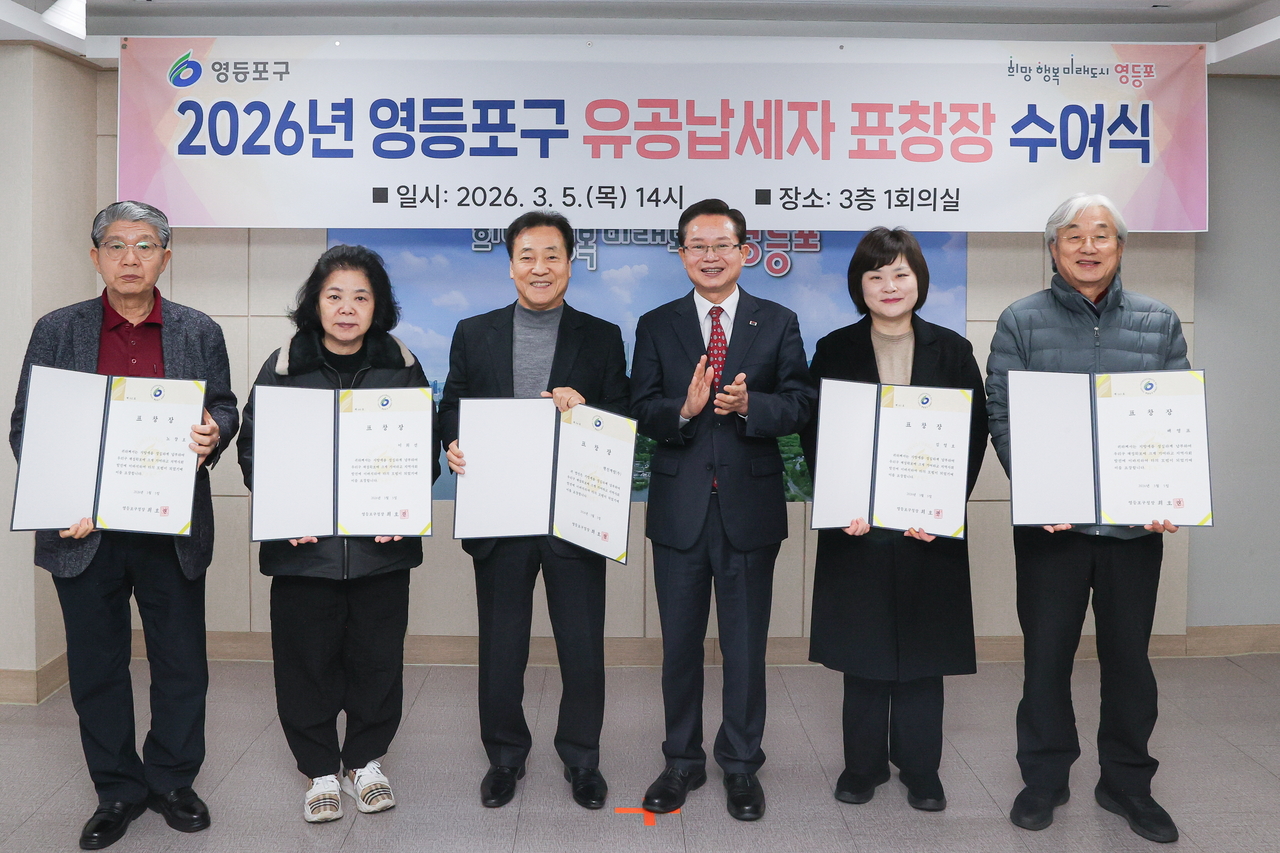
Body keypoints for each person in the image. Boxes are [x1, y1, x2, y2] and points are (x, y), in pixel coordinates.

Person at [9, 201, 237, 850]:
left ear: (166, 257)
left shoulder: (198, 330)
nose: (129, 258)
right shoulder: (58, 330)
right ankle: (116, 789)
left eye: (144, 245)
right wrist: (64, 496)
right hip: (84, 531)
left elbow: (223, 407)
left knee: (181, 663)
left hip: (170, 527)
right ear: (95, 257)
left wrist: (214, 432)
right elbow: (27, 424)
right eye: (115, 245)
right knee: (96, 666)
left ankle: (172, 780)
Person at [986, 193, 1187, 844]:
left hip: (1133, 530)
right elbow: (1002, 412)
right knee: (1046, 657)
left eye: (1101, 234)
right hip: (1053, 530)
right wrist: (1038, 489)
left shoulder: (1159, 321)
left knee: (1129, 659)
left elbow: (1174, 415)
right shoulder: (1020, 320)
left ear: (1120, 247)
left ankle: (1126, 782)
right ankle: (1044, 778)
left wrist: (1170, 491)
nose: (1088, 246)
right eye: (1072, 234)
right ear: (1053, 249)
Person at [236, 245, 438, 823]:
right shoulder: (282, 366)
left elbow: (422, 451)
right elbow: (254, 449)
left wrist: (398, 506)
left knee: (378, 660)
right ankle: (319, 769)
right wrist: (284, 509)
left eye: (361, 297)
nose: (347, 308)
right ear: (315, 303)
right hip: (303, 553)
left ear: (379, 306)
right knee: (305, 662)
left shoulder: (403, 365)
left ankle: (366, 763)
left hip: (381, 553)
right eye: (334, 296)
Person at [630, 198, 816, 821]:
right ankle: (680, 761)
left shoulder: (778, 321)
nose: (709, 257)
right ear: (682, 254)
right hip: (679, 509)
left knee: (744, 646)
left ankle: (740, 764)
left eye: (722, 245)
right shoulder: (656, 324)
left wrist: (751, 406)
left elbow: (800, 403)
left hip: (749, 509)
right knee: (679, 647)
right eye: (697, 246)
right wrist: (682, 411)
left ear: (744, 251)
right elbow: (640, 407)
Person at [438, 211, 629, 811]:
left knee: (582, 645)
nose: (539, 268)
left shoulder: (602, 336)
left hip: (574, 514)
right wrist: (453, 442)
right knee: (502, 646)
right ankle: (505, 756)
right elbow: (452, 405)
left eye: (552, 256)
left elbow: (624, 416)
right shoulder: (474, 332)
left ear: (571, 263)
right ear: (511, 265)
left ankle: (582, 757)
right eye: (527, 256)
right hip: (499, 514)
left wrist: (587, 408)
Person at [800, 227, 988, 812]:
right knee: (863, 652)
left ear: (919, 281)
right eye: (876, 275)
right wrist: (840, 502)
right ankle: (862, 767)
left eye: (900, 273)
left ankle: (921, 769)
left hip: (926, 527)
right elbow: (815, 433)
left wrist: (943, 508)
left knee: (924, 655)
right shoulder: (834, 349)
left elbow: (973, 434)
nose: (889, 285)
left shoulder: (952, 350)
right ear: (859, 285)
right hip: (857, 526)